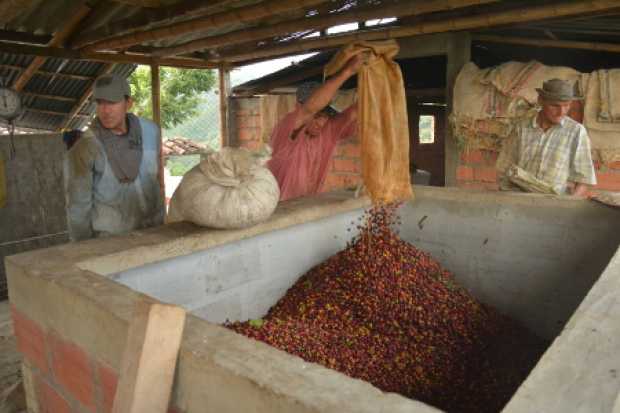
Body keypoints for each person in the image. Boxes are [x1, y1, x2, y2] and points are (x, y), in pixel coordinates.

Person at [64, 73, 164, 241]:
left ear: (128, 103)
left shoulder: (150, 131)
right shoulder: (86, 147)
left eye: (112, 102)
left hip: (154, 230)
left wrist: (162, 223)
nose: (105, 110)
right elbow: (77, 206)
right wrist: (83, 248)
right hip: (111, 240)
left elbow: (158, 179)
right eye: (100, 102)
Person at [267, 55, 363, 201]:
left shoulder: (327, 131)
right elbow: (310, 108)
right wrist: (348, 71)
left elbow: (356, 111)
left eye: (324, 116)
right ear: (298, 107)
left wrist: (374, 77)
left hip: (308, 206)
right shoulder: (287, 127)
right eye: (317, 115)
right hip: (279, 210)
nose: (321, 122)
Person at [497, 78, 597, 197]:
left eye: (566, 106)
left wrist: (567, 207)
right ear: (541, 101)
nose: (561, 112)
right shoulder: (521, 128)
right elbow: (504, 168)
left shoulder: (576, 132)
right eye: (555, 106)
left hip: (555, 203)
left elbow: (584, 180)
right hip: (521, 199)